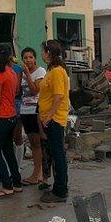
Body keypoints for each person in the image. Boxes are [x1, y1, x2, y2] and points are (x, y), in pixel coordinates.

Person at [0, 44, 22, 198]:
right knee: (8, 151)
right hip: (13, 115)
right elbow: (15, 92)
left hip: (2, 116)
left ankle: (7, 185)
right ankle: (16, 183)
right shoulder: (12, 72)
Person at [38, 40, 70, 203]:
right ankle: (59, 187)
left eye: (43, 51)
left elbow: (59, 96)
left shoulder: (57, 71)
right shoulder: (53, 70)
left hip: (55, 119)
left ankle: (60, 191)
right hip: (51, 118)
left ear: (48, 52)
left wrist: (49, 116)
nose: (41, 54)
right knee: (57, 153)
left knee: (58, 154)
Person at [18, 47, 47, 186]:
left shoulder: (40, 71)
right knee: (33, 143)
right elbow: (20, 91)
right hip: (24, 111)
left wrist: (28, 74)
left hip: (36, 110)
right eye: (25, 58)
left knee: (37, 143)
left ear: (35, 58)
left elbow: (35, 90)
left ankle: (37, 174)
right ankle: (38, 173)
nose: (28, 60)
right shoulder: (22, 73)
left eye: (30, 57)